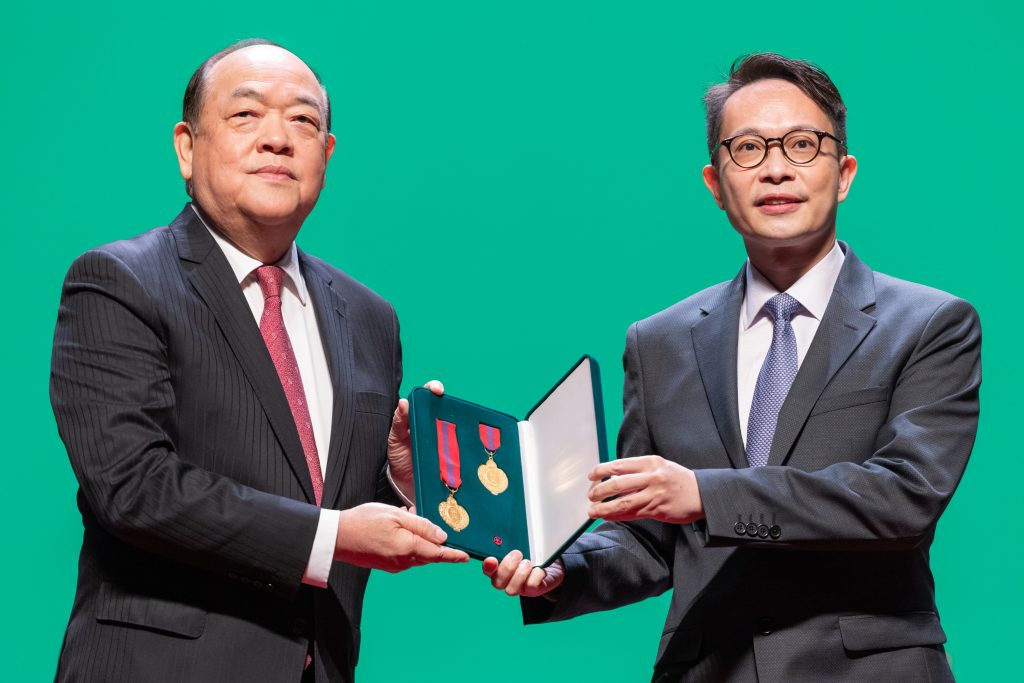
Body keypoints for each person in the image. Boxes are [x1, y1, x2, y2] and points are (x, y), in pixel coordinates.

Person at [483, 53, 980, 682]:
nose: (775, 168)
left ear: (844, 172)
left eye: (803, 144)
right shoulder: (657, 341)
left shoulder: (931, 323)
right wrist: (561, 572)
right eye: (746, 149)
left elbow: (902, 497)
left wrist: (703, 493)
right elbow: (647, 538)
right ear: (716, 185)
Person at [50, 39, 468, 682]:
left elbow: (327, 497)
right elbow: (133, 488)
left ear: (326, 155)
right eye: (246, 115)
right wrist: (332, 538)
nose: (278, 138)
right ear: (187, 147)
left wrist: (403, 485)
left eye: (303, 121)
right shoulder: (118, 281)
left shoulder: (369, 316)